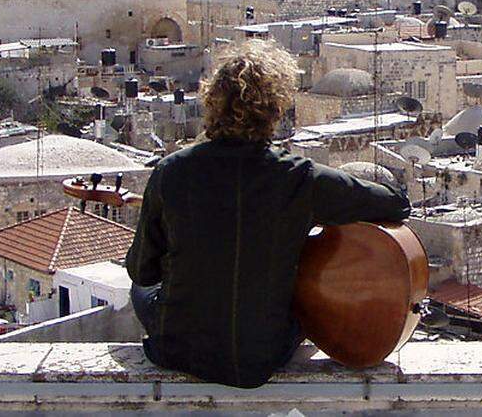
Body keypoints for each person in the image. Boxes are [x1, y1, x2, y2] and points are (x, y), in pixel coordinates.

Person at [125, 40, 410, 389]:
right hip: (261, 355)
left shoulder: (171, 171)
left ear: (212, 102)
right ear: (276, 109)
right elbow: (396, 204)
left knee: (140, 289)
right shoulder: (299, 178)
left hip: (178, 349)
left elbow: (142, 269)